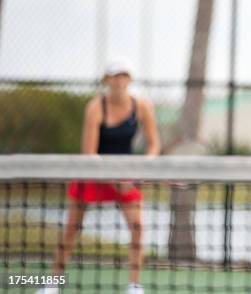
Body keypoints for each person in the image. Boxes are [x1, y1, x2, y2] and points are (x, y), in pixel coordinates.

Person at [37, 59, 160, 294]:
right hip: (93, 173)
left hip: (126, 176)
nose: (119, 81)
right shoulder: (95, 107)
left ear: (130, 79)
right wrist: (113, 178)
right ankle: (52, 284)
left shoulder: (142, 106)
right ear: (107, 80)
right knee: (72, 228)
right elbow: (89, 152)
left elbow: (154, 145)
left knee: (137, 228)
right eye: (115, 76)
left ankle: (134, 286)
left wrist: (143, 169)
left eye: (124, 76)